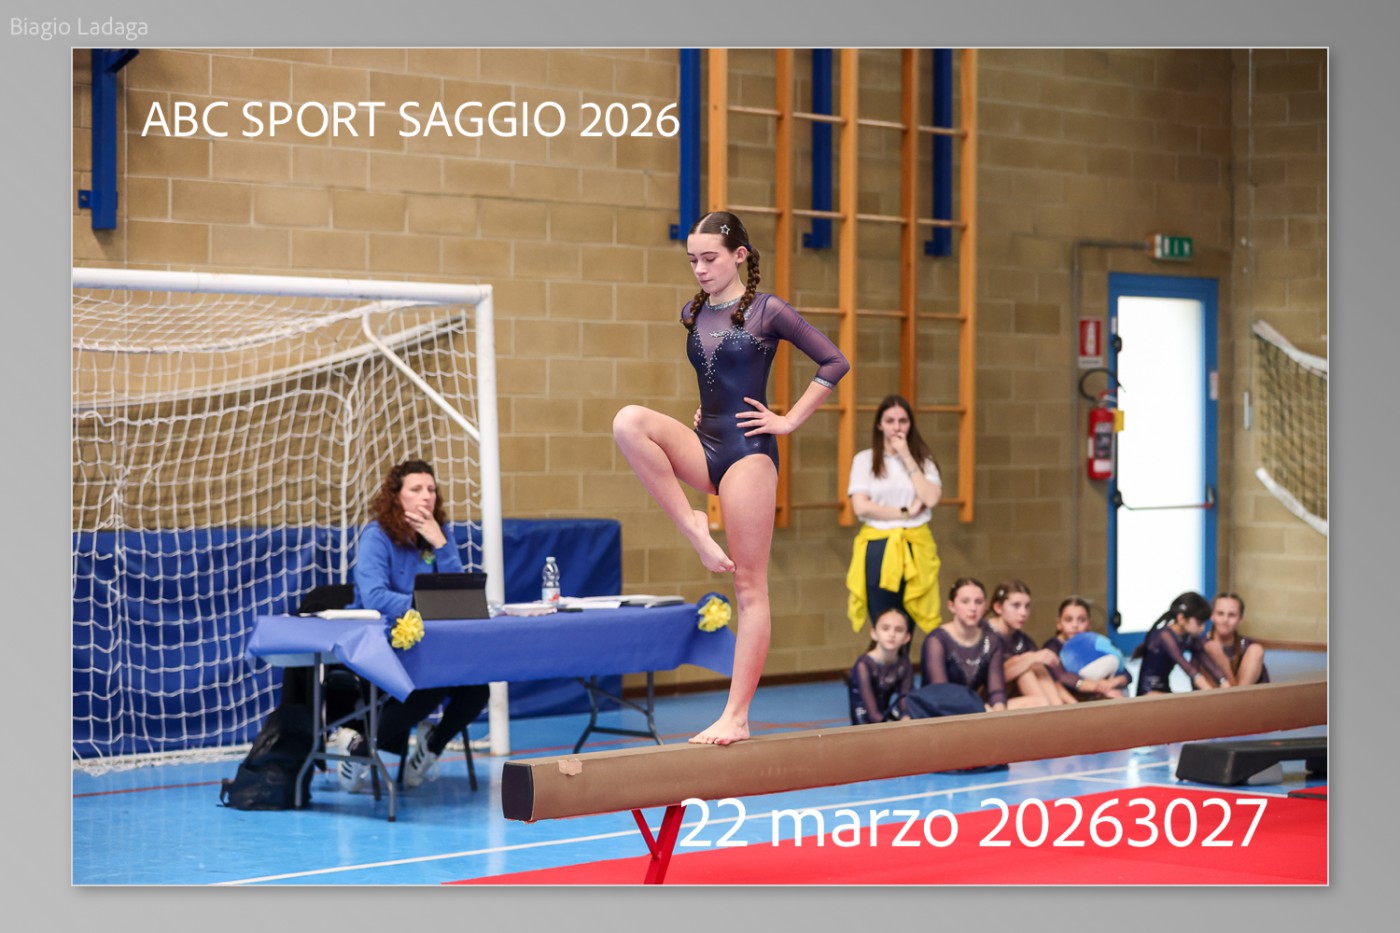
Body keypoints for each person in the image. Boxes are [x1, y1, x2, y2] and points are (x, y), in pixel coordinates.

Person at [612, 210, 849, 745]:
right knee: (628, 422)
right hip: (707, 443)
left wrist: (788, 420)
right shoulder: (693, 310)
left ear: (739, 255)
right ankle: (694, 526)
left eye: (709, 258)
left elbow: (834, 362)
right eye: (692, 260)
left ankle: (737, 716)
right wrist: (703, 414)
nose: (699, 269)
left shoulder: (769, 310)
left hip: (748, 454)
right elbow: (715, 379)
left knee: (748, 585)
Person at [333, 458, 490, 790]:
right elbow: (375, 597)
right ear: (396, 496)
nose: (427, 496)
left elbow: (457, 591)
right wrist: (426, 605)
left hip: (431, 642)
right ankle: (359, 751)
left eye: (431, 489)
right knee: (429, 685)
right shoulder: (376, 536)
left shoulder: (437, 534)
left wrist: (440, 544)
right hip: (380, 641)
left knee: (477, 689)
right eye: (416, 489)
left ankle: (430, 748)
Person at [845, 395, 943, 637]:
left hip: (915, 544)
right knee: (884, 622)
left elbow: (930, 498)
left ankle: (905, 659)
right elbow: (861, 507)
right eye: (890, 421)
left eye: (903, 421)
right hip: (879, 545)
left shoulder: (924, 461)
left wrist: (907, 456)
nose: (896, 427)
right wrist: (905, 512)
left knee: (908, 620)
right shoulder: (864, 459)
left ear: (910, 424)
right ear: (880, 424)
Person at [920, 577, 1024, 711]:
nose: (973, 608)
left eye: (978, 602)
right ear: (951, 606)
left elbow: (997, 692)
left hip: (976, 709)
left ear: (985, 606)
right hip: (938, 713)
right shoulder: (936, 640)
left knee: (1035, 703)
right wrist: (980, 710)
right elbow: (941, 692)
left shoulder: (992, 641)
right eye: (965, 601)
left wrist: (999, 715)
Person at [984, 580, 1075, 706]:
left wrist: (1074, 705)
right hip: (987, 702)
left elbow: (1051, 679)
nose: (1023, 613)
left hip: (1013, 697)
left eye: (1027, 606)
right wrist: (1031, 658)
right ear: (998, 607)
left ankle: (1055, 708)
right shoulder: (984, 635)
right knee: (1026, 662)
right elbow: (992, 679)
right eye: (1016, 605)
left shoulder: (1021, 638)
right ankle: (1047, 709)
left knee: (1034, 666)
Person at [1133, 591, 1231, 696]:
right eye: (1199, 623)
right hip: (1148, 691)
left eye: (1204, 623)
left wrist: (1225, 684)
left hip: (1164, 690)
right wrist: (1212, 693)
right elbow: (1187, 668)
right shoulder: (1164, 635)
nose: (1203, 628)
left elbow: (1207, 662)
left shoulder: (1188, 637)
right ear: (1181, 619)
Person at [1043, 597, 1131, 699]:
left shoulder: (1094, 643)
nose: (1075, 625)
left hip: (1101, 691)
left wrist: (1111, 683)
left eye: (1082, 620)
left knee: (1117, 694)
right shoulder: (1052, 646)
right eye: (1068, 620)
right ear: (1059, 623)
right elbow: (1062, 676)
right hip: (1071, 698)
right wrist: (1098, 687)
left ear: (1089, 624)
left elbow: (1126, 674)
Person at [848, 608, 915, 724]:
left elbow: (904, 703)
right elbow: (872, 714)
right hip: (864, 719)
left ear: (907, 638)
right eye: (885, 628)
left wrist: (906, 720)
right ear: (874, 633)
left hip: (884, 715)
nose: (892, 634)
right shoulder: (863, 665)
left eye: (899, 630)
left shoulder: (903, 663)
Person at [1201, 591, 1270, 686]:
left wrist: (1224, 664)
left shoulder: (1248, 647)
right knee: (1205, 650)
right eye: (1220, 613)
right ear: (1212, 616)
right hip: (1213, 694)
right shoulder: (1202, 645)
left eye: (1232, 615)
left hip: (1246, 694)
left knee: (1256, 650)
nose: (1225, 620)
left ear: (1240, 618)